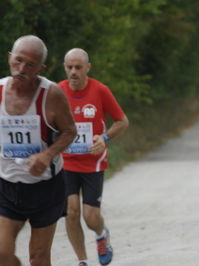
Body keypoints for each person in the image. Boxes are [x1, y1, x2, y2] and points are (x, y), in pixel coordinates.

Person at [0, 35, 76, 266]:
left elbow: (69, 132)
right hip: (6, 185)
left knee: (39, 258)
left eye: (30, 65)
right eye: (18, 61)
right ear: (10, 58)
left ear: (40, 68)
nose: (22, 69)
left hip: (45, 188)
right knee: (2, 253)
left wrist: (47, 154)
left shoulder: (51, 95)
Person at [59, 48, 129, 266]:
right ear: (65, 67)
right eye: (70, 67)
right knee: (71, 212)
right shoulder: (57, 91)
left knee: (90, 217)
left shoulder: (100, 90)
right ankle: (82, 261)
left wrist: (105, 139)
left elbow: (122, 121)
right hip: (66, 161)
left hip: (92, 162)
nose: (73, 72)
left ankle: (101, 234)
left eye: (78, 67)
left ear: (87, 68)